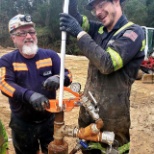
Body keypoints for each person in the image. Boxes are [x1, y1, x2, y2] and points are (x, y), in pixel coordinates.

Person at [59, 0, 145, 153]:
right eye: (94, 9)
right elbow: (76, 19)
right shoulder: (99, 30)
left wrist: (79, 33)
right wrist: (71, 3)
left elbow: (107, 64)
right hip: (88, 115)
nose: (97, 12)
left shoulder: (133, 32)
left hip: (113, 122)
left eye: (101, 5)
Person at [0, 14, 72, 154]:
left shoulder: (50, 56)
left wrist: (59, 78)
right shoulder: (7, 60)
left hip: (50, 121)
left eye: (31, 32)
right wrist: (29, 95)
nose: (28, 36)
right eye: (22, 33)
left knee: (53, 150)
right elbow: (4, 84)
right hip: (22, 123)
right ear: (13, 38)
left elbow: (67, 74)